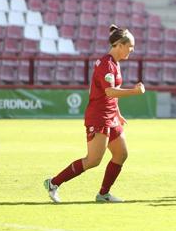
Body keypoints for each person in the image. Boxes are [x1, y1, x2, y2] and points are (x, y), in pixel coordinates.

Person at [43, 25, 145, 203]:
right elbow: (110, 92)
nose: (132, 50)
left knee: (121, 154)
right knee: (93, 160)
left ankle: (103, 194)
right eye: (130, 46)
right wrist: (135, 92)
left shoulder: (115, 63)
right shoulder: (106, 64)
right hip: (99, 117)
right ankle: (53, 183)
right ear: (119, 45)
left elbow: (113, 93)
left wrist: (117, 113)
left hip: (110, 116)